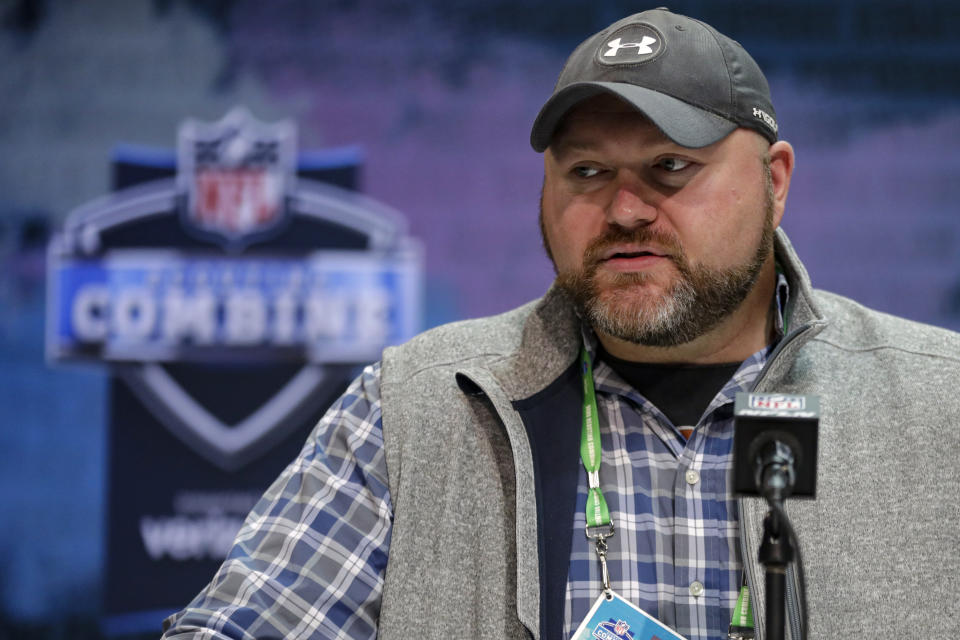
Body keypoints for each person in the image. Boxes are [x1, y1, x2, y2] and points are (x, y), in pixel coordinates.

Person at [162, 8, 960, 640]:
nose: (623, 209)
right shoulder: (419, 407)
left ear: (775, 181)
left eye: (670, 167)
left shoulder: (940, 404)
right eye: (587, 172)